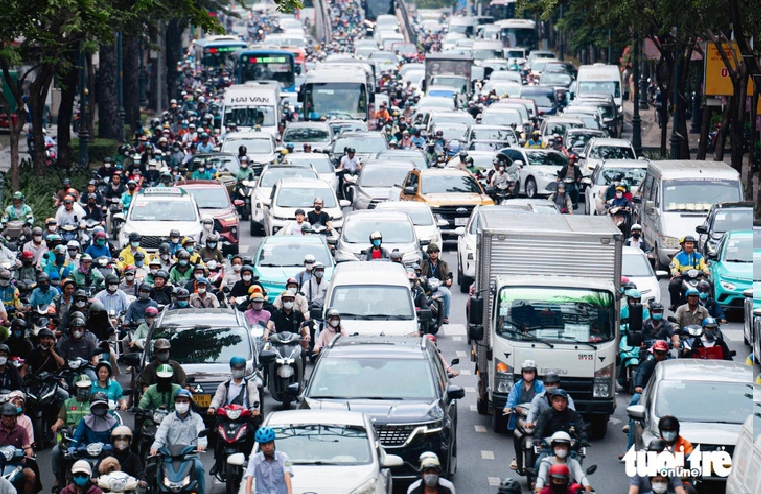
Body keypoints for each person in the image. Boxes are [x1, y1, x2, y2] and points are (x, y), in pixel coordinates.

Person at [207, 356, 262, 475]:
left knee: (253, 432)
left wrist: (255, 409)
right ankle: (217, 463)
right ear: (231, 369)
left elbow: (254, 398)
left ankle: (250, 460)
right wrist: (212, 408)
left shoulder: (250, 385)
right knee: (216, 434)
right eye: (235, 368)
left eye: (240, 368)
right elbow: (217, 398)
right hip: (226, 417)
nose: (238, 370)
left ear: (244, 369)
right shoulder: (224, 385)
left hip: (244, 417)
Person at [150, 390, 206, 494]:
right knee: (158, 472)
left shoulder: (197, 418)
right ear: (174, 403)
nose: (181, 404)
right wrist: (155, 447)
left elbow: (201, 433)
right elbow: (160, 436)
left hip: (190, 456)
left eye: (184, 401)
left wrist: (201, 445)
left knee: (199, 468)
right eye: (178, 401)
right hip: (170, 457)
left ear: (190, 403)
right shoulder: (168, 419)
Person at [621, 340, 670, 457]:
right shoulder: (647, 364)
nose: (660, 356)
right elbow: (640, 375)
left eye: (663, 353)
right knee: (635, 404)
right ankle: (629, 449)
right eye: (658, 353)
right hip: (647, 394)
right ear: (653, 353)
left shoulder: (670, 365)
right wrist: (638, 386)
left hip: (666, 396)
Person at [504, 360, 544, 473]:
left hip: (536, 416)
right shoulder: (517, 386)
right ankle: (517, 458)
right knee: (517, 435)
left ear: (535, 373)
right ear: (522, 373)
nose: (528, 374)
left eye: (531, 372)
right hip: (521, 416)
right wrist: (508, 407)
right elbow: (512, 398)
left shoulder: (540, 385)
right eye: (526, 372)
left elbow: (543, 398)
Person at [244, 427, 293, 494]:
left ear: (273, 443)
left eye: (269, 443)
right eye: (264, 444)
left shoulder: (282, 457)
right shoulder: (255, 459)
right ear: (260, 446)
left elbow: (287, 477)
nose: (267, 447)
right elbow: (249, 480)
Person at [668, 236, 709, 311]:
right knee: (673, 284)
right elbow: (673, 267)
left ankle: (708, 303)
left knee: (709, 284)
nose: (689, 245)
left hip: (697, 277)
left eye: (691, 243)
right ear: (683, 245)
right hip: (683, 276)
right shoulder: (678, 256)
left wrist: (706, 271)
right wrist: (675, 273)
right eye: (687, 243)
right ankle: (675, 304)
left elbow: (703, 265)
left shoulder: (699, 255)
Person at [420, 243, 452, 324]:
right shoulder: (424, 263)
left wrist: (448, 280)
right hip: (427, 287)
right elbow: (419, 274)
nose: (433, 254)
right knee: (420, 295)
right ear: (428, 253)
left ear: (438, 253)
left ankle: (445, 316)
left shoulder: (443, 264)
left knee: (448, 294)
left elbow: (448, 275)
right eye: (431, 252)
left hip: (440, 286)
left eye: (435, 252)